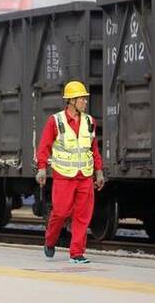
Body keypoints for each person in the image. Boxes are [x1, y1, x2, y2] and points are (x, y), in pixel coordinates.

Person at [35, 81, 105, 264]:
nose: (85, 102)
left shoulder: (90, 122)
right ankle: (50, 240)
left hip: (85, 177)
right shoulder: (55, 121)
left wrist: (99, 172)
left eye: (85, 98)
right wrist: (42, 168)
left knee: (82, 215)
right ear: (71, 101)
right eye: (82, 98)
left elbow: (93, 149)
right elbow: (44, 147)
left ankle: (77, 253)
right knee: (61, 212)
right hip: (64, 175)